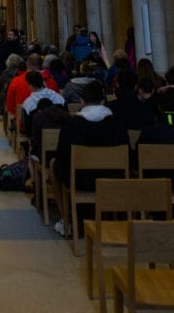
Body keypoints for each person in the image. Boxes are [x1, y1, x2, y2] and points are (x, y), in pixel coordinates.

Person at [50, 80, 128, 236]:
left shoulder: (72, 125)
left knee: (53, 166)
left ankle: (66, 220)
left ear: (82, 101)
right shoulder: (117, 124)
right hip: (112, 179)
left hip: (80, 180)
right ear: (103, 101)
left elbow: (62, 157)